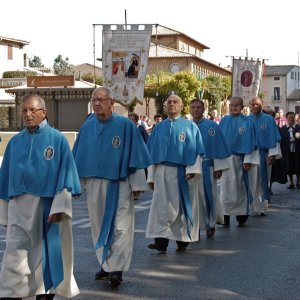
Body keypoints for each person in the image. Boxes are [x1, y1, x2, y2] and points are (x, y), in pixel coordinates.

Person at [0, 94, 81, 300]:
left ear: (43, 112)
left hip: (47, 205)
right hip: (18, 206)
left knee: (46, 251)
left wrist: (60, 205)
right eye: (24, 110)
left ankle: (45, 291)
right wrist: (4, 214)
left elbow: (66, 174)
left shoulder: (58, 139)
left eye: (32, 110)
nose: (27, 114)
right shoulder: (15, 141)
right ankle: (12, 291)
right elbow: (4, 178)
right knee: (15, 250)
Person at [72, 87, 151, 287]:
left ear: (111, 102)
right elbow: (79, 157)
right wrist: (76, 186)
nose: (97, 103)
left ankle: (117, 269)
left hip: (120, 183)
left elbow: (136, 155)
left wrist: (137, 183)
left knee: (121, 227)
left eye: (101, 100)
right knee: (99, 226)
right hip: (94, 184)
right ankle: (106, 264)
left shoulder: (126, 126)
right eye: (94, 100)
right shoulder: (86, 128)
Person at [146, 94, 205, 252]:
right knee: (161, 207)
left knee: (181, 208)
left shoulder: (190, 126)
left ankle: (182, 240)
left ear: (181, 106)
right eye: (169, 102)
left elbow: (197, 151)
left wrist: (192, 171)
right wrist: (151, 176)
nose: (172, 104)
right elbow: (152, 154)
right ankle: (161, 241)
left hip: (182, 173)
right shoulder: (158, 128)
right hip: (162, 172)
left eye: (175, 102)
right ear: (165, 106)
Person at [190, 99, 230, 237]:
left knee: (208, 196)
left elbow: (217, 146)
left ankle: (210, 223)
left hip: (207, 166)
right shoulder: (186, 126)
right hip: (189, 168)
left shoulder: (212, 126)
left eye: (198, 107)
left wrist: (218, 167)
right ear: (189, 109)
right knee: (193, 198)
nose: (195, 110)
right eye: (193, 107)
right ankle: (195, 225)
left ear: (203, 109)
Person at [219, 97, 259, 227]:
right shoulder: (223, 121)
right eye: (231, 105)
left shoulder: (248, 122)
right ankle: (225, 215)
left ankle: (242, 214)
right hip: (225, 160)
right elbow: (218, 142)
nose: (233, 108)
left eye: (236, 105)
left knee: (240, 187)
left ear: (242, 107)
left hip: (240, 161)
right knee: (225, 189)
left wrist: (248, 160)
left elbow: (252, 142)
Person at [248, 97, 282, 216]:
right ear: (250, 106)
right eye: (253, 104)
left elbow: (274, 137)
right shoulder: (247, 120)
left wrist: (273, 154)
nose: (255, 106)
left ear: (262, 105)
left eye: (257, 104)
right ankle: (253, 205)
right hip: (251, 155)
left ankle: (263, 206)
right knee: (252, 180)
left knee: (264, 180)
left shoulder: (269, 119)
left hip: (265, 154)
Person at [281, 112, 300, 189]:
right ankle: (291, 182)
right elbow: (281, 140)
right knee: (289, 167)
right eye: (289, 117)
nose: (291, 119)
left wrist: (295, 139)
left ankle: (298, 182)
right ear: (286, 118)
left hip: (298, 151)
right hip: (287, 151)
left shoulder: (299, 127)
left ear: (295, 118)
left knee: (298, 166)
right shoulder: (283, 129)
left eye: (292, 117)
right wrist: (288, 140)